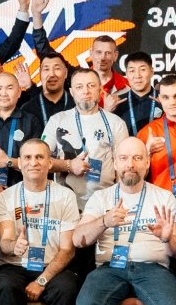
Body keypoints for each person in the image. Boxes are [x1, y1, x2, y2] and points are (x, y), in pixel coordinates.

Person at [72, 135, 176, 305]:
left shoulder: (164, 197)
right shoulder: (101, 198)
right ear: (115, 163)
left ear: (147, 163)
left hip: (153, 268)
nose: (130, 164)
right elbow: (78, 240)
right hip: (110, 269)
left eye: (137, 158)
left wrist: (168, 237)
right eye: (124, 158)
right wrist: (104, 221)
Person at [0, 137, 82, 305]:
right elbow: (4, 242)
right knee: (5, 287)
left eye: (40, 157)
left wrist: (42, 280)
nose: (34, 162)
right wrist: (14, 246)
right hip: (16, 264)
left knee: (67, 288)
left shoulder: (65, 196)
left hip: (52, 265)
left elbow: (68, 249)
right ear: (20, 163)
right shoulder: (7, 197)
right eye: (28, 157)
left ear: (49, 163)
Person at [44, 68, 127, 206]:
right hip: (65, 203)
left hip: (104, 203)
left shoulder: (116, 123)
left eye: (91, 85)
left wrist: (119, 202)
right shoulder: (57, 120)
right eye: (79, 87)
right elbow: (42, 161)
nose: (86, 91)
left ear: (100, 89)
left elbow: (122, 168)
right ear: (72, 92)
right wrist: (69, 165)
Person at [22, 50, 73, 122]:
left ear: (66, 73)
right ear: (40, 73)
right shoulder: (26, 111)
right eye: (46, 69)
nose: (51, 74)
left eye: (57, 68)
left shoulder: (78, 104)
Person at [115, 52, 158, 134]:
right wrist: (107, 111)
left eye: (142, 70)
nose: (137, 75)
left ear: (152, 72)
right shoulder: (117, 102)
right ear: (126, 74)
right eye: (132, 71)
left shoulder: (164, 99)